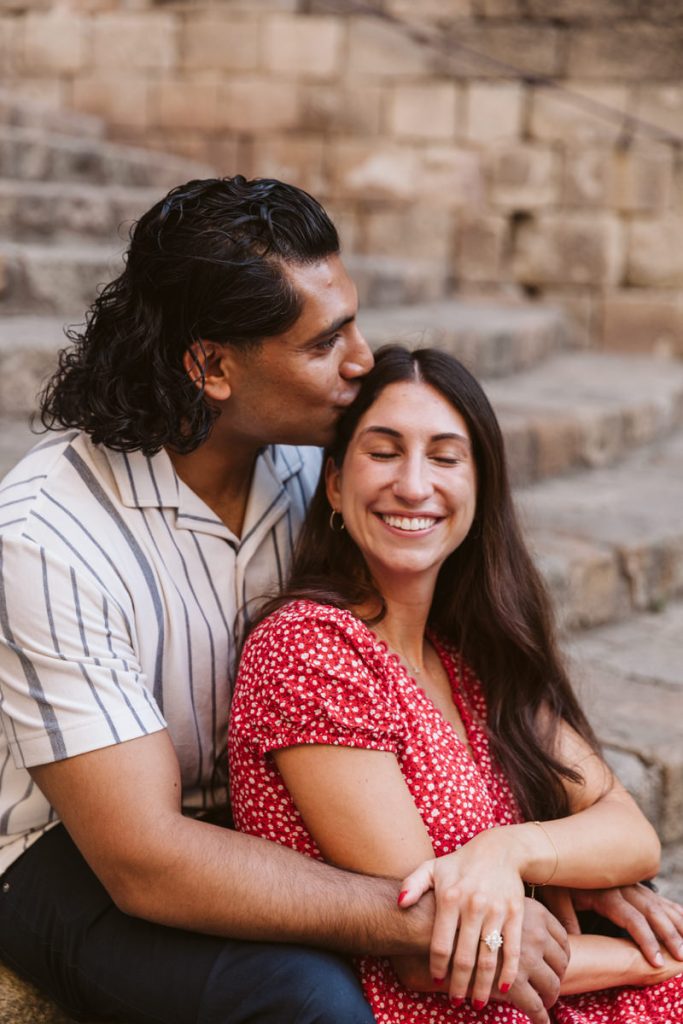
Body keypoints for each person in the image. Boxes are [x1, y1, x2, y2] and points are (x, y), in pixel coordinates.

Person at [0, 177, 676, 1024]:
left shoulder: (314, 471)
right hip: (74, 855)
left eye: (352, 321)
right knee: (309, 1002)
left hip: (275, 815)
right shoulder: (49, 536)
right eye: (325, 343)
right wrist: (436, 916)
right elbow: (146, 858)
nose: (360, 360)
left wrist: (557, 861)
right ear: (211, 366)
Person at [228, 345, 683, 1022]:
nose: (413, 485)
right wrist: (653, 959)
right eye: (383, 452)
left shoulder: (467, 653)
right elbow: (432, 949)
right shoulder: (310, 650)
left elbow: (630, 835)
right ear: (332, 482)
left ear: (478, 487)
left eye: (444, 457)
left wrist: (510, 851)